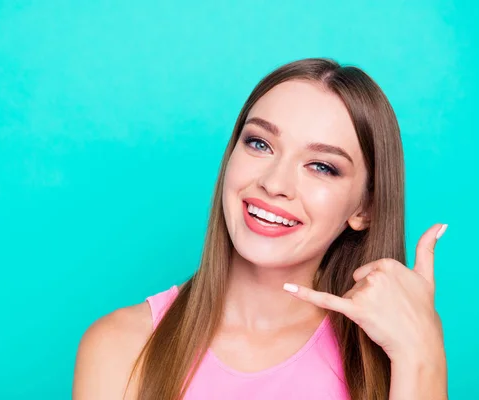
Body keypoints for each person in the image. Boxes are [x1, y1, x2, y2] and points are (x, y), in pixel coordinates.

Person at [72, 58, 448, 400]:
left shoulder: (392, 359)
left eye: (321, 166)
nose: (275, 183)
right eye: (259, 143)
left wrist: (423, 355)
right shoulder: (121, 346)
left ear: (365, 209)